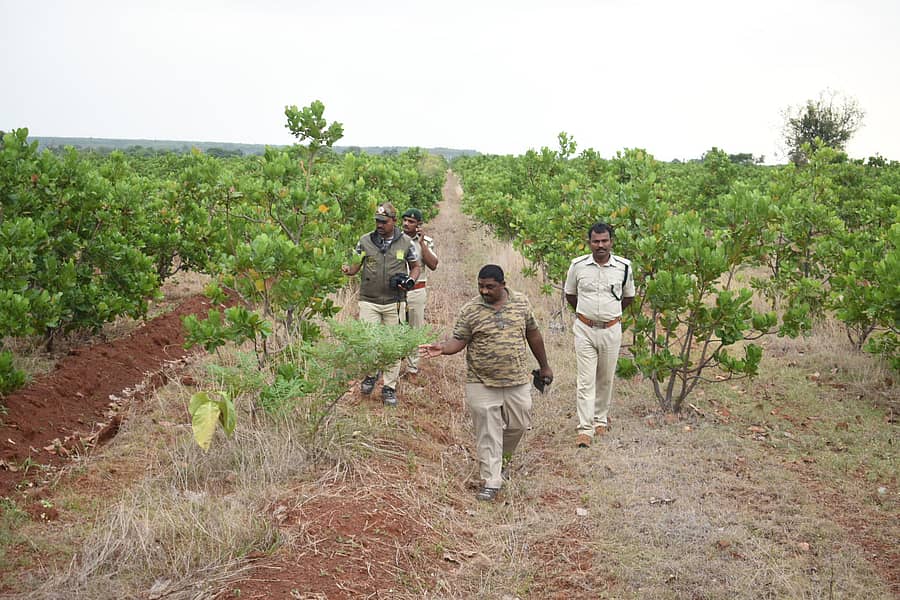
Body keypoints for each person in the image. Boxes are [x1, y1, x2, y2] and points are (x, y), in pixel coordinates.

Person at [419, 265, 553, 501]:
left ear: (503, 284)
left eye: (490, 286)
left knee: (519, 425)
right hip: (481, 381)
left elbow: (533, 334)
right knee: (488, 431)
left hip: (516, 380)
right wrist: (443, 348)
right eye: (481, 286)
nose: (484, 291)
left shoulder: (521, 303)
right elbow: (459, 340)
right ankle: (491, 479)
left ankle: (500, 461)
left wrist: (544, 365)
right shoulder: (470, 310)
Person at [563, 222, 635, 448]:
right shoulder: (578, 266)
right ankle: (585, 429)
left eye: (604, 241)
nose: (600, 245)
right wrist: (587, 316)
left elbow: (628, 297)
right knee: (585, 380)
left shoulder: (623, 267)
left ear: (611, 242)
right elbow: (571, 294)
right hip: (584, 330)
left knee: (605, 378)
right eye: (596, 241)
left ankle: (600, 420)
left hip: (611, 330)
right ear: (589, 243)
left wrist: (609, 316)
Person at [341, 202, 420, 406]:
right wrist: (347, 269)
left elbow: (415, 266)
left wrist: (410, 281)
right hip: (370, 300)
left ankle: (389, 387)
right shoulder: (365, 241)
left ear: (393, 221)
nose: (379, 225)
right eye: (377, 221)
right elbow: (355, 266)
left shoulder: (405, 243)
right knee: (370, 341)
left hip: (395, 301)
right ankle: (370, 375)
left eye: (384, 222)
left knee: (392, 345)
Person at [400, 208, 439, 377]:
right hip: (397, 292)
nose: (406, 224)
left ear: (419, 225)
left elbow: (433, 264)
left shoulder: (426, 241)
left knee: (415, 330)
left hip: (416, 291)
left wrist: (422, 244)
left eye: (411, 221)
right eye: (405, 220)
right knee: (395, 327)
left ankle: (412, 369)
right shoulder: (395, 239)